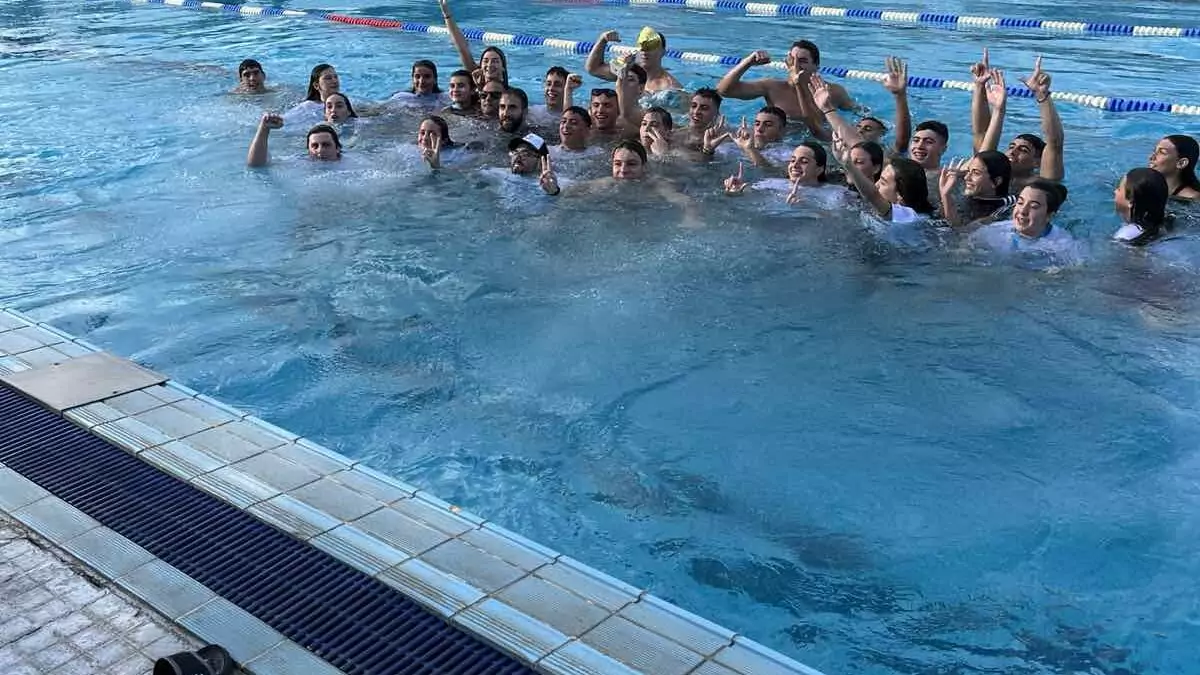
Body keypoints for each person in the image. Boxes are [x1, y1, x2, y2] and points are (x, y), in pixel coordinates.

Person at [972, 54, 1065, 188]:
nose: (1012, 152)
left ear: (1037, 162)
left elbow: (1055, 144)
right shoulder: (990, 176)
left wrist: (1042, 95)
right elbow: (981, 134)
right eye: (1011, 147)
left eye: (1023, 150)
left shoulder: (1041, 185)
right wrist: (980, 86)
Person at [716, 41, 853, 122]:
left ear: (816, 65)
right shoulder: (772, 87)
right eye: (792, 60)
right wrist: (747, 62)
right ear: (787, 62)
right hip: (781, 143)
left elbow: (857, 114)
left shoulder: (833, 91)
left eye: (803, 61)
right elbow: (724, 91)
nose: (796, 65)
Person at [970, 180, 1080, 263]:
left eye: (1034, 206)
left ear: (1049, 215)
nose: (1022, 211)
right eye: (1020, 203)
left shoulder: (1064, 246)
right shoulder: (994, 231)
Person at [585, 27, 682, 93]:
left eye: (651, 47)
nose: (644, 51)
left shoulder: (670, 87)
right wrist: (602, 40)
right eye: (642, 46)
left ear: (663, 52)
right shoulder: (629, 70)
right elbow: (593, 69)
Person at [439, 0, 508, 85]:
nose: (489, 65)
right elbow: (462, 49)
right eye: (485, 61)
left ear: (503, 67)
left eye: (495, 61)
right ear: (480, 66)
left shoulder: (510, 92)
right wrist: (447, 15)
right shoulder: (474, 83)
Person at [939, 151, 1016, 226]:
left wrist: (946, 195)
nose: (966, 177)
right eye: (968, 171)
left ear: (996, 181)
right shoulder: (970, 194)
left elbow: (961, 231)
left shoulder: (1004, 208)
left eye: (976, 173)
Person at [246, 113, 340, 167]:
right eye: (314, 146)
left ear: (337, 148)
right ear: (308, 150)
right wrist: (264, 128)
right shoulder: (301, 162)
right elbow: (256, 164)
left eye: (326, 145)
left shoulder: (348, 164)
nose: (320, 150)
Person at [1113, 167, 1172, 246]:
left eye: (1119, 189)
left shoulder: (1124, 237)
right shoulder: (1167, 221)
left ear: (1131, 201)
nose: (1115, 191)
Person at [1148, 135, 1200, 201]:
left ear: (1181, 163)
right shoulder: (1147, 187)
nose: (1151, 157)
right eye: (1154, 151)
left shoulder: (1192, 198)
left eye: (1162, 152)